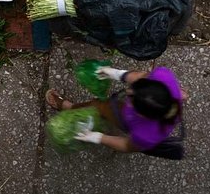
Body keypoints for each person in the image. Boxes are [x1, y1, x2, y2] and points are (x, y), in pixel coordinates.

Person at [46, 65, 186, 153]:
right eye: (133, 90)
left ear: (143, 116)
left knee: (98, 106)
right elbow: (141, 76)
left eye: (132, 101)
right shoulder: (162, 75)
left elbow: (126, 145)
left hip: (126, 119)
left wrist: (99, 138)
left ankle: (70, 107)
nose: (128, 93)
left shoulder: (146, 135)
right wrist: (117, 74)